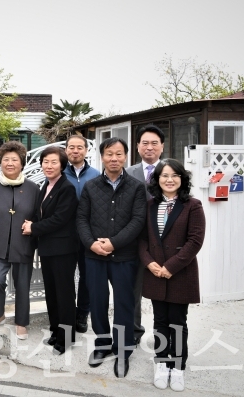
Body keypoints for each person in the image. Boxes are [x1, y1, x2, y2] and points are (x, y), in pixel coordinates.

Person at [76, 137, 146, 378]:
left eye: (118, 154)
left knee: (125, 304)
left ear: (126, 156)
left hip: (125, 256)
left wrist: (114, 242)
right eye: (109, 154)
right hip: (94, 255)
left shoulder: (137, 187)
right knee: (97, 302)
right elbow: (82, 218)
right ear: (102, 157)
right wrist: (92, 243)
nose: (114, 158)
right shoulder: (91, 186)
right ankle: (103, 345)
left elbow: (138, 221)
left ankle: (124, 351)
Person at [139, 159, 205, 392]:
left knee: (178, 322)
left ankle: (177, 367)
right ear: (157, 180)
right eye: (164, 175)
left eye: (175, 175)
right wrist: (150, 264)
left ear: (182, 179)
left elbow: (195, 241)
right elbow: (143, 239)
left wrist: (171, 266)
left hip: (180, 274)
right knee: (159, 321)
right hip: (155, 273)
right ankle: (161, 363)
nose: (169, 179)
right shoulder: (149, 206)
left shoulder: (193, 205)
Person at [0, 141, 40, 340]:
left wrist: (33, 229)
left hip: (23, 245)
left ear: (22, 163)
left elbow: (39, 216)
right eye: (6, 160)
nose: (10, 163)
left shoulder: (33, 188)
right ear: (0, 162)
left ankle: (21, 322)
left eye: (14, 160)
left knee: (22, 285)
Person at [21, 146, 78, 354]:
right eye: (45, 162)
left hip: (63, 249)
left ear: (62, 165)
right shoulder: (45, 185)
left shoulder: (67, 188)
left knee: (64, 294)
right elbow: (42, 214)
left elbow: (59, 219)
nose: (49, 166)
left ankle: (67, 337)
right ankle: (56, 330)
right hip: (47, 248)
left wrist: (33, 228)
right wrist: (31, 223)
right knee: (52, 293)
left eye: (54, 162)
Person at [126, 124, 165, 345]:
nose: (149, 148)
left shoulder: (171, 172)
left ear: (162, 146)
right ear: (138, 147)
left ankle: (163, 335)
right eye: (145, 143)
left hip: (163, 242)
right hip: (134, 242)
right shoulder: (128, 172)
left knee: (163, 289)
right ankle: (133, 331)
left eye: (154, 143)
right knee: (133, 289)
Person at [63, 134, 100, 334]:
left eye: (79, 147)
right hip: (65, 235)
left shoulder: (95, 174)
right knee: (66, 276)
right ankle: (68, 313)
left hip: (89, 235)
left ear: (86, 150)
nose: (75, 151)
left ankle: (82, 313)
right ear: (66, 150)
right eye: (71, 147)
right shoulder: (59, 172)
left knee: (87, 277)